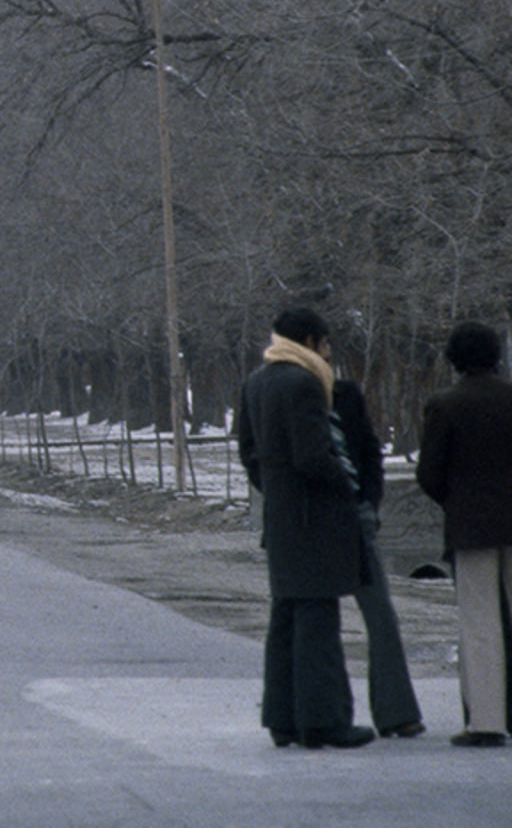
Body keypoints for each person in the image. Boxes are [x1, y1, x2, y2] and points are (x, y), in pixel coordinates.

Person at [234, 307, 374, 749]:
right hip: (316, 519)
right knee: (318, 622)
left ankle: (283, 718)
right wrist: (347, 488)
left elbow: (249, 450)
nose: (329, 353)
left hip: (281, 518)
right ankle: (323, 720)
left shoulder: (256, 382)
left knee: (286, 620)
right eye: (327, 344)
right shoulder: (304, 382)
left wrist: (275, 491)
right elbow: (313, 455)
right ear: (311, 342)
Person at [415, 320, 512, 747]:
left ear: (454, 359)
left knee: (480, 622)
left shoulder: (445, 404)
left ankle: (487, 720)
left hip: (470, 526)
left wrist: (455, 500)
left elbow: (429, 473)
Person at [331, 378, 424, 738]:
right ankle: (327, 713)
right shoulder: (289, 395)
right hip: (311, 523)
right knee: (316, 621)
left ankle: (397, 712)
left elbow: (369, 451)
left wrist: (370, 499)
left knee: (382, 615)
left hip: (357, 517)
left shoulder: (344, 395)